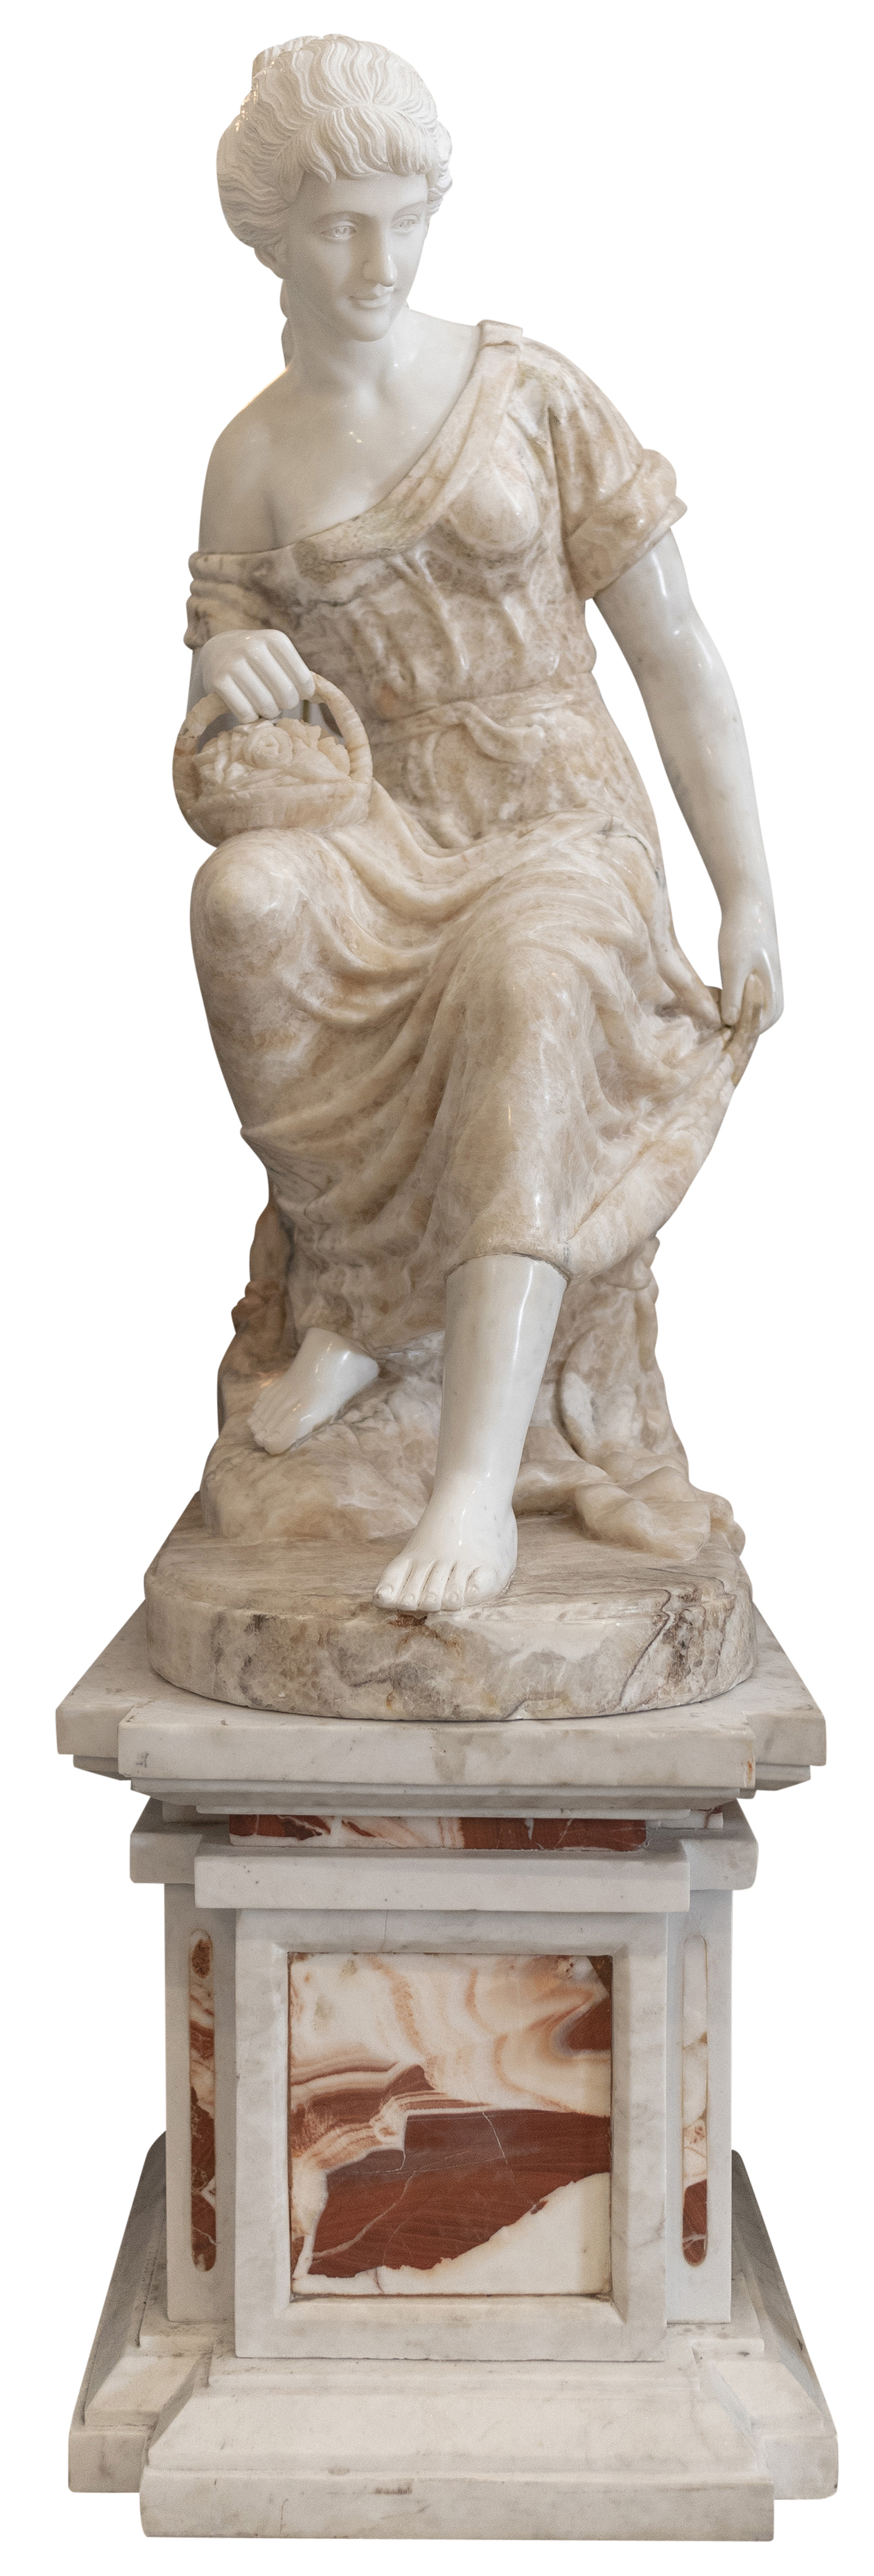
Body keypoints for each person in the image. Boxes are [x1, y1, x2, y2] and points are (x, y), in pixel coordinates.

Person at [186, 33, 781, 1614]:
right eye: (339, 227)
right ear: (270, 233)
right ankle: (358, 1305)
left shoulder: (528, 392)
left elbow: (674, 651)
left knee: (528, 981)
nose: (379, 262)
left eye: (407, 218)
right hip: (377, 821)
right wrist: (227, 675)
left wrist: (746, 888)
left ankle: (472, 1470)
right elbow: (220, 758)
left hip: (555, 816)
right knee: (244, 903)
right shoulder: (251, 461)